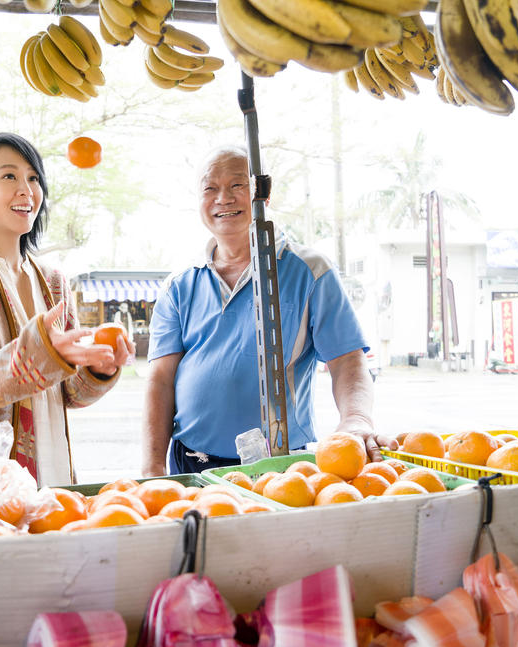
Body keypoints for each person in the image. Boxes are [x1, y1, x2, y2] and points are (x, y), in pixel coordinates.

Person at [141, 147, 396, 476]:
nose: (223, 198)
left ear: (263, 193)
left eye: (237, 185)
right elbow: (160, 381)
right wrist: (151, 466)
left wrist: (356, 419)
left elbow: (347, 359)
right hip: (189, 463)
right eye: (210, 188)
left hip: (279, 467)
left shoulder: (309, 270)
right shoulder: (180, 284)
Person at [0, 133, 133, 486]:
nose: (27, 190)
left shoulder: (55, 282)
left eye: (34, 178)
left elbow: (68, 394)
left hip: (57, 476)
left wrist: (98, 370)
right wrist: (36, 356)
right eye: (9, 176)